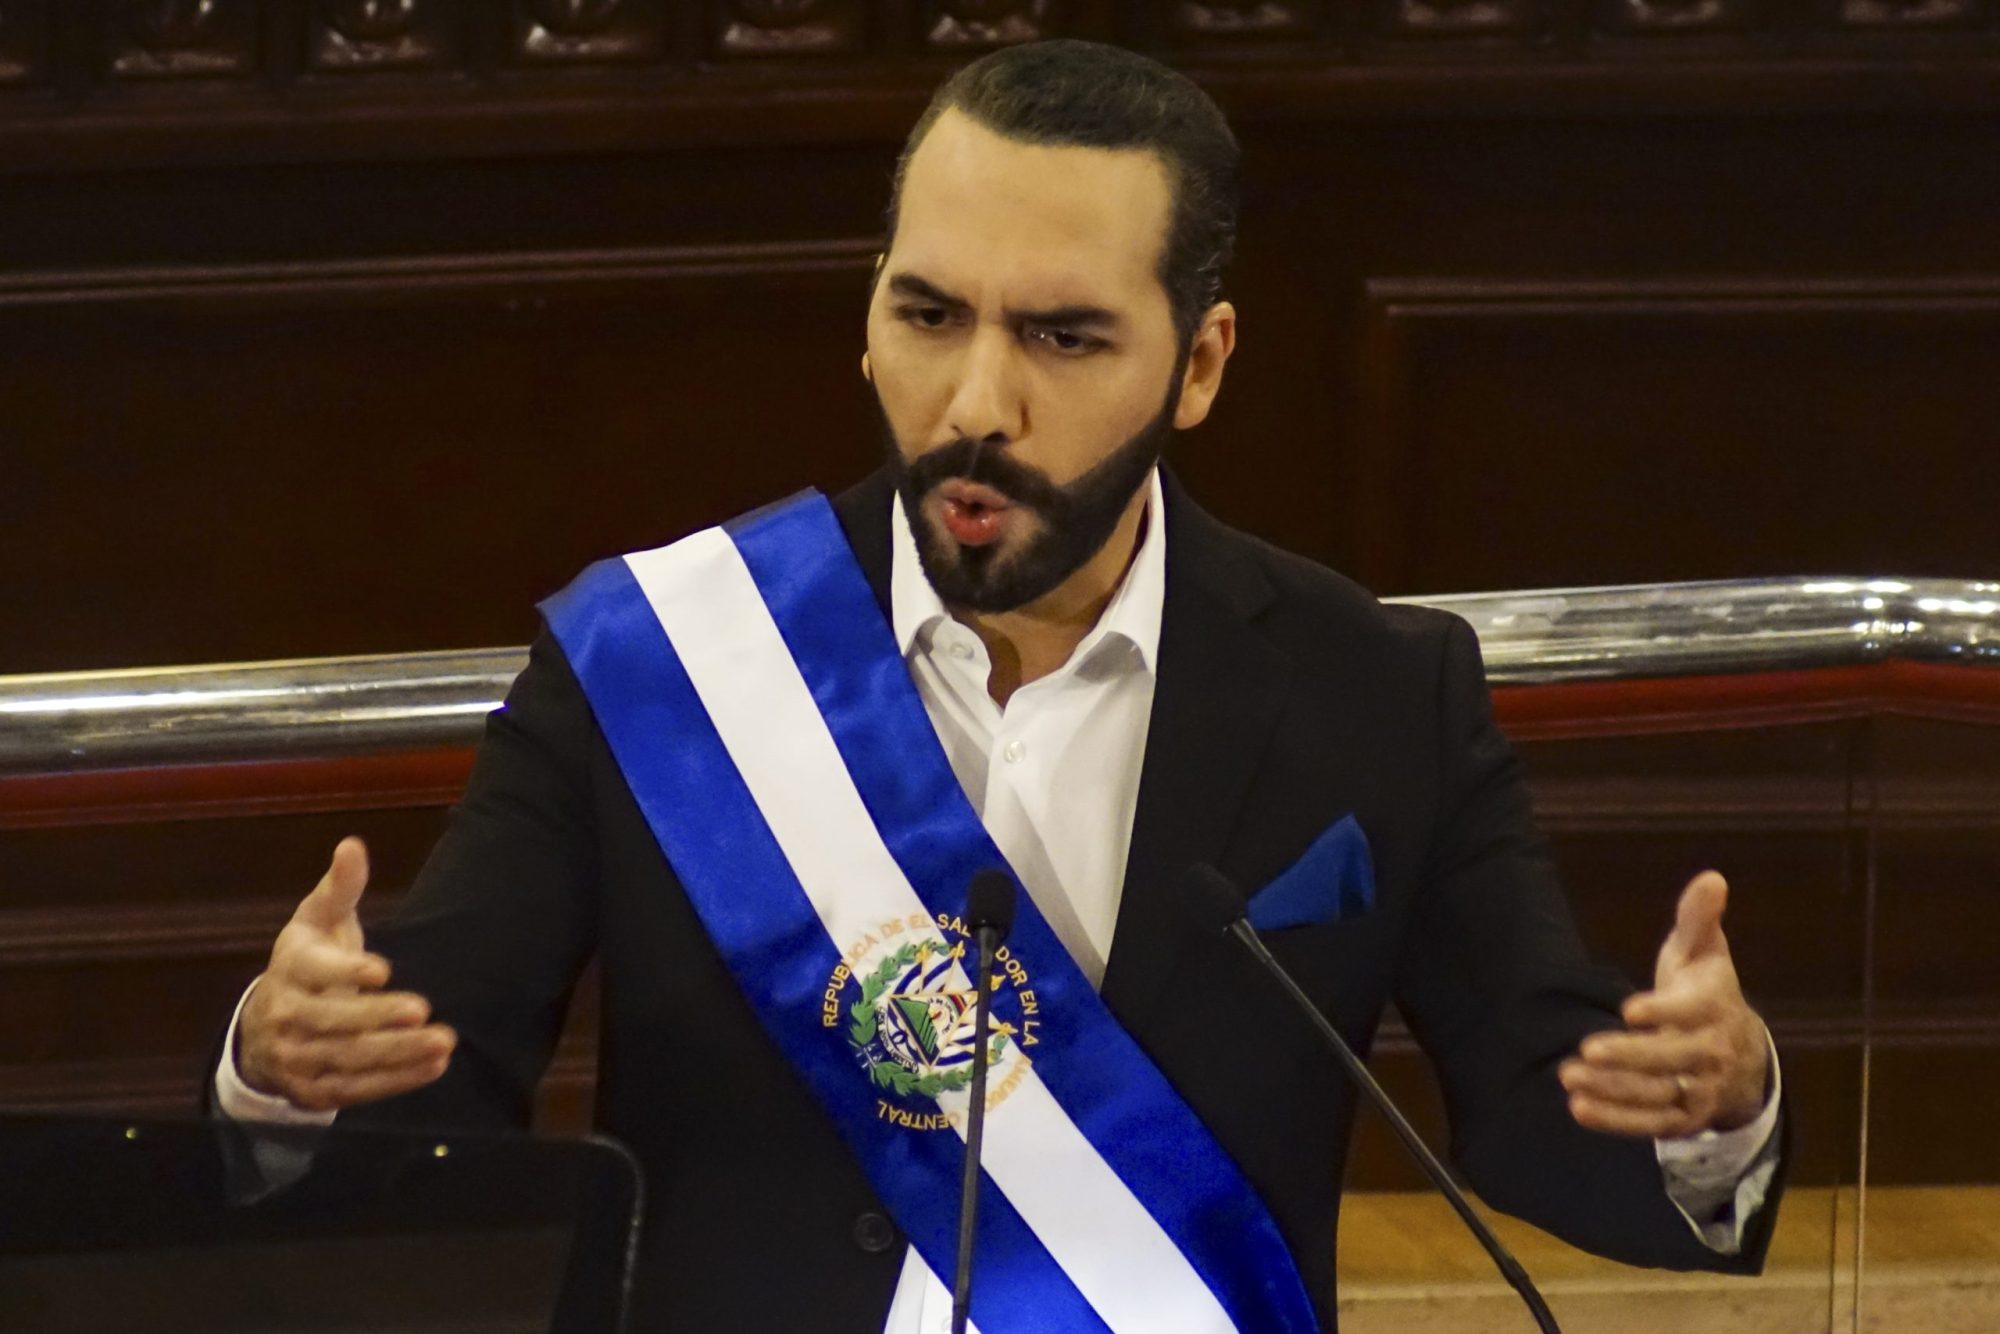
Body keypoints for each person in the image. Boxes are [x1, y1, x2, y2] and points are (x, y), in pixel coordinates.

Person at [211, 39, 1785, 1333]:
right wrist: (290, 1075)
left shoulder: (1377, 690)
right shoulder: (663, 659)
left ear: (1203, 362)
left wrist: (1710, 1102)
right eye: (929, 314)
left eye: (1065, 336)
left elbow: (1543, 1106)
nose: (977, 403)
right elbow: (424, 1093)